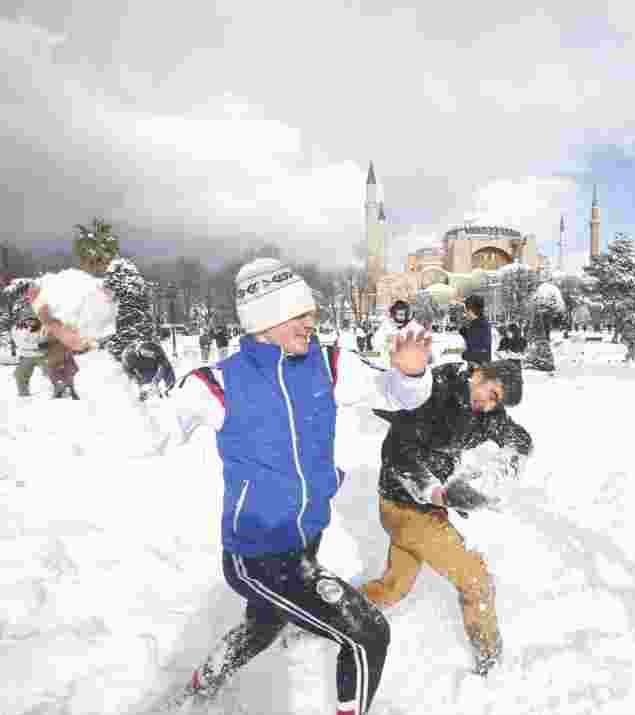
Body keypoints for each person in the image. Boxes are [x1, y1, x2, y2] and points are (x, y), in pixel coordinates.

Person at [153, 258, 435, 714]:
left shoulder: (330, 364)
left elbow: (398, 396)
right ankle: (195, 694)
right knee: (366, 635)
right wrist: (100, 369)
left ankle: (195, 693)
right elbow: (146, 435)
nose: (311, 321)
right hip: (257, 552)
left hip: (304, 540)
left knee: (263, 626)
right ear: (265, 319)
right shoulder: (218, 383)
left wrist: (410, 373)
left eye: (310, 312)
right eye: (299, 314)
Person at [361, 359, 532, 677]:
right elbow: (398, 454)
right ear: (480, 373)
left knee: (393, 587)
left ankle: (325, 613)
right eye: (491, 393)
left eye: (498, 400)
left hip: (423, 508)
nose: (489, 404)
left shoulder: (486, 410)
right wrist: (435, 492)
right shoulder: (433, 391)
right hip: (406, 506)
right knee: (475, 580)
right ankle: (491, 661)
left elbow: (518, 438)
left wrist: (505, 465)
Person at [11, 313, 48, 397]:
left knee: (52, 371)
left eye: (33, 319)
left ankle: (60, 390)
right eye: (28, 319)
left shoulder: (43, 327)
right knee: (19, 375)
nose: (30, 321)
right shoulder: (17, 328)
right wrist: (37, 345)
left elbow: (46, 341)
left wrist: (41, 344)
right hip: (26, 356)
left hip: (42, 355)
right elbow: (21, 344)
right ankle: (23, 395)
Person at [373, 300, 412, 367]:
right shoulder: (387, 327)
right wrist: (388, 344)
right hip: (389, 364)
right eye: (400, 314)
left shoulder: (410, 327)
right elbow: (377, 342)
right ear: (394, 314)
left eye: (404, 314)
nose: (402, 317)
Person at [460, 295, 492, 366]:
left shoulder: (481, 325)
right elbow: (474, 343)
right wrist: (465, 333)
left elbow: (483, 353)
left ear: (471, 311)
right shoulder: (476, 324)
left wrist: (465, 355)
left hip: (483, 370)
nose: (464, 314)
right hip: (478, 368)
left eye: (465, 311)